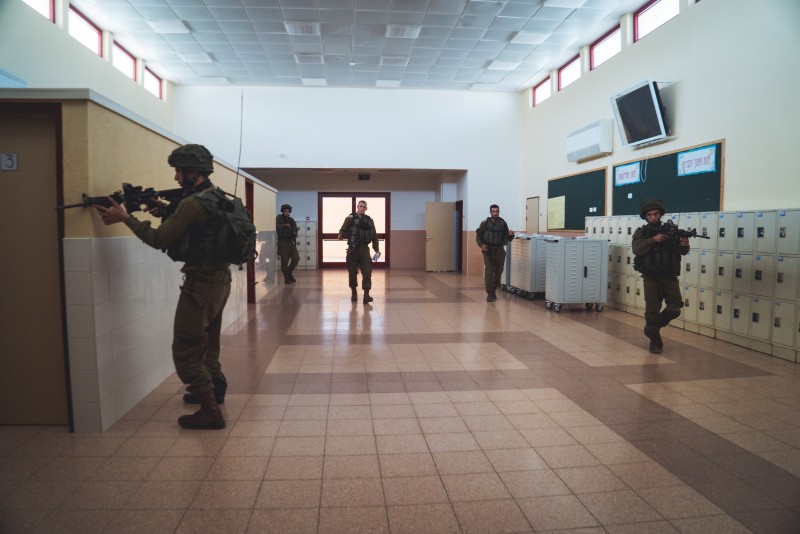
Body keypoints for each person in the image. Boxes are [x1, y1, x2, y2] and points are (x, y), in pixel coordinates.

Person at [93, 144, 230, 430]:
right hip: (219, 281)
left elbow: (159, 240)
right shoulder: (216, 196)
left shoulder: (193, 203)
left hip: (201, 285)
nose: (177, 177)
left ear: (194, 171)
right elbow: (198, 229)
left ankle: (210, 410)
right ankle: (215, 389)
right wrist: (164, 210)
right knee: (208, 340)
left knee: (186, 345)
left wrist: (126, 218)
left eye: (179, 171)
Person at [631, 198, 690, 354]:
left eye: (655, 214)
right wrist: (653, 240)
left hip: (669, 276)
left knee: (674, 309)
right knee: (652, 312)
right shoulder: (642, 232)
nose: (653, 217)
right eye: (649, 215)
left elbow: (681, 251)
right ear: (645, 216)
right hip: (651, 277)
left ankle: (654, 328)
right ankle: (655, 340)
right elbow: (637, 249)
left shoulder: (671, 231)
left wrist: (684, 245)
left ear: (660, 214)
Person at [338, 200, 380, 303]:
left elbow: (374, 235)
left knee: (367, 272)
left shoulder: (369, 220)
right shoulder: (349, 219)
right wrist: (340, 235)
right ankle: (354, 293)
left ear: (366, 208)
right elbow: (342, 230)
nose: (362, 208)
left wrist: (377, 249)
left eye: (364, 207)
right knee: (352, 272)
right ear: (357, 207)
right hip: (353, 249)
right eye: (360, 206)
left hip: (365, 249)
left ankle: (366, 295)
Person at [476, 204, 514, 302]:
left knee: (499, 271)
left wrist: (511, 235)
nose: (495, 213)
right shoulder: (484, 223)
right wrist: (482, 246)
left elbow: (507, 239)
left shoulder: (503, 223)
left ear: (499, 211)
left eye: (497, 211)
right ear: (490, 212)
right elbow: (478, 237)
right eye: (493, 211)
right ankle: (490, 293)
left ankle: (493, 290)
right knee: (489, 271)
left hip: (499, 250)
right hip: (488, 250)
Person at [276, 203, 299, 284]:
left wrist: (295, 231)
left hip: (290, 241)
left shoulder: (291, 220)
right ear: (282, 211)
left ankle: (289, 273)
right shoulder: (278, 218)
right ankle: (286, 277)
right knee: (285, 261)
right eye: (286, 211)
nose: (287, 213)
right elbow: (276, 226)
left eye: (288, 211)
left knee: (296, 258)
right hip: (282, 242)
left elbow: (295, 229)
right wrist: (285, 225)